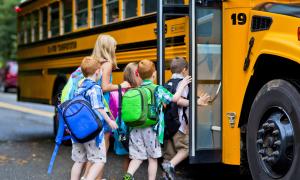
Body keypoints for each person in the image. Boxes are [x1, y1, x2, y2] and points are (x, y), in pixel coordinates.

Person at [123, 60, 192, 180]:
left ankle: (128, 175)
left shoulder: (134, 90)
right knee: (153, 158)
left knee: (137, 157)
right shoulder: (157, 89)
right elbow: (174, 99)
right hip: (151, 130)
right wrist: (181, 86)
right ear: (154, 74)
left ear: (138, 74)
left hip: (135, 129)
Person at [161, 57, 210, 180]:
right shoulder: (183, 83)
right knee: (186, 148)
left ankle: (166, 174)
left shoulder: (167, 83)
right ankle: (170, 166)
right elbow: (179, 101)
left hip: (167, 123)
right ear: (184, 70)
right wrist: (197, 101)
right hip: (179, 124)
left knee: (170, 151)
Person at [70, 56, 118, 180]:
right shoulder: (95, 88)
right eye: (101, 70)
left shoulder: (79, 87)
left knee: (79, 161)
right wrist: (110, 121)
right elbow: (98, 107)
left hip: (78, 131)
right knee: (99, 160)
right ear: (97, 72)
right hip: (92, 131)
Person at [110, 62, 142, 171]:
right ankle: (129, 176)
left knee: (126, 155)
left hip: (121, 128)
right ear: (136, 75)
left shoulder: (122, 90)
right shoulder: (137, 92)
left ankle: (127, 176)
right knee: (133, 155)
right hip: (131, 127)